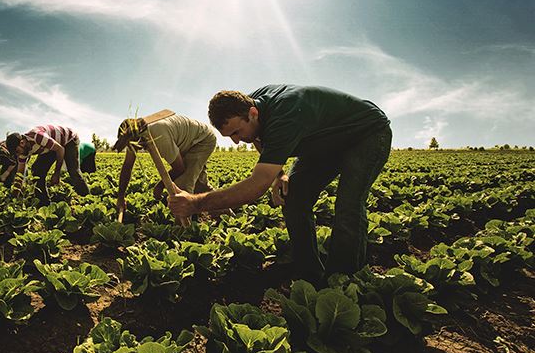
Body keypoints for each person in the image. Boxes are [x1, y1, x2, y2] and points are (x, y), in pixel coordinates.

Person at [168, 84, 392, 283]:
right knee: (292, 199)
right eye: (230, 137)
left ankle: (343, 281)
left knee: (348, 205)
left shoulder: (285, 114)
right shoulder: (252, 106)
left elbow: (257, 185)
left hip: (366, 134)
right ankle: (309, 274)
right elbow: (258, 138)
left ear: (252, 114)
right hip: (323, 143)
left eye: (237, 132)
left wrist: (195, 204)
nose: (236, 141)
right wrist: (280, 174)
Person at [113, 114, 216, 215]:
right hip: (188, 141)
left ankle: (181, 228)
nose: (135, 149)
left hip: (201, 140)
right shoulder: (136, 136)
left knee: (183, 184)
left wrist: (160, 186)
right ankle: (225, 211)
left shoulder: (157, 135)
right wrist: (121, 197)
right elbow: (127, 167)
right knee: (200, 185)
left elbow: (179, 168)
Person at [5, 125, 89, 204]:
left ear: (22, 143)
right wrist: (15, 196)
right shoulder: (23, 151)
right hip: (50, 147)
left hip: (68, 139)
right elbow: (19, 174)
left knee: (73, 171)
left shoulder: (38, 137)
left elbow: (60, 150)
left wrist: (56, 173)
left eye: (17, 151)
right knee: (37, 171)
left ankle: (86, 198)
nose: (18, 155)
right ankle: (44, 203)